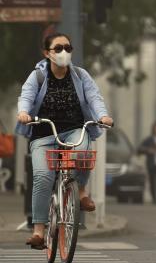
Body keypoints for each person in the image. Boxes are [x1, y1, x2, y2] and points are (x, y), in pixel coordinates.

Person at [15, 32, 113, 249]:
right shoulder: (38, 76)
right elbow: (27, 95)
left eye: (67, 48)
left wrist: (102, 116)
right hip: (43, 133)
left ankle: (80, 190)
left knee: (83, 154)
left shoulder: (80, 75)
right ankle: (39, 230)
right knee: (42, 177)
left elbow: (94, 97)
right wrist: (23, 112)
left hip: (74, 129)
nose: (63, 53)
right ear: (47, 53)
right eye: (58, 48)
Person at [138, 120, 156, 204]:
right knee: (152, 181)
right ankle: (154, 198)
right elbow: (140, 148)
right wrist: (148, 150)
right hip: (151, 163)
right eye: (155, 127)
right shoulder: (149, 140)